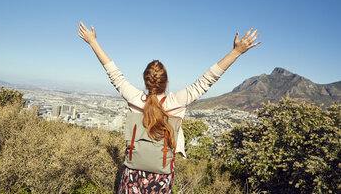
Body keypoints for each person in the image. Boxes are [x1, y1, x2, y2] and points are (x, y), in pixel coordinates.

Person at [78, 21, 261, 194]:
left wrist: (93, 42)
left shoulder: (134, 98)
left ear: (145, 80)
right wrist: (236, 52)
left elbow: (113, 72)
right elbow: (208, 79)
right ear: (166, 82)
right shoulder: (177, 101)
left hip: (132, 173)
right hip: (161, 176)